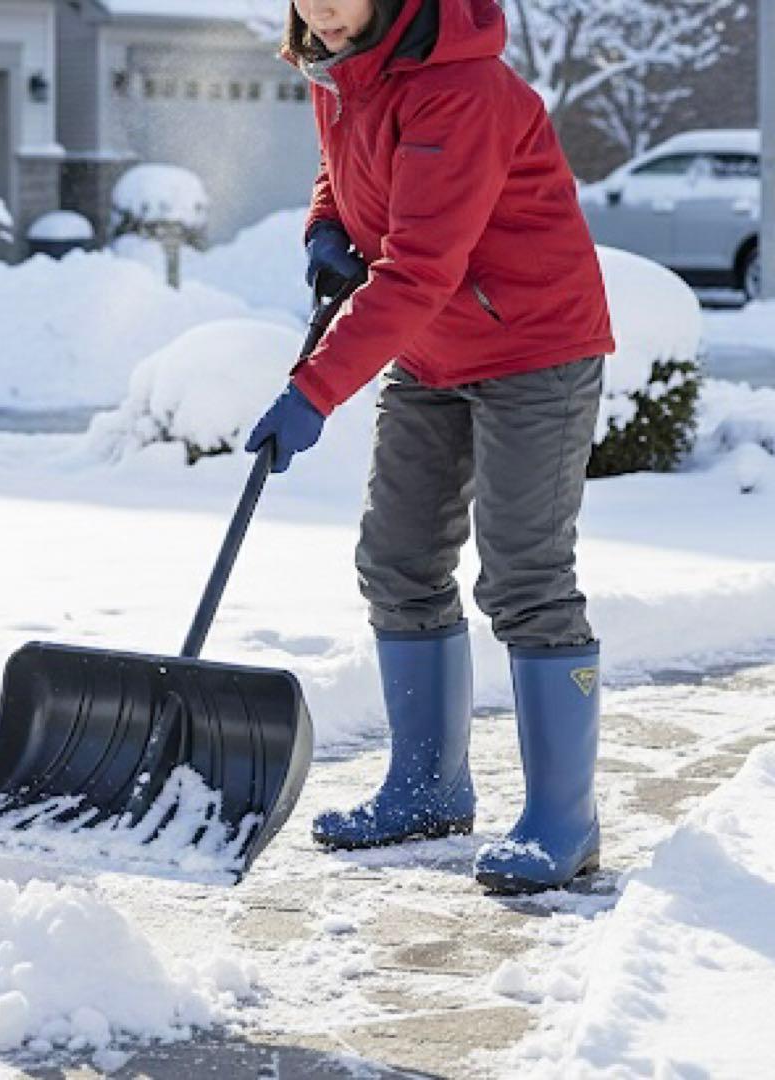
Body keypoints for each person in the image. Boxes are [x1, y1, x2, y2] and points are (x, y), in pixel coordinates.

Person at [245, 0, 615, 894]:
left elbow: (418, 266)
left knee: (525, 575)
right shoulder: (339, 66)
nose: (320, 8)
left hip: (533, 344)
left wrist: (314, 390)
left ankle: (565, 821)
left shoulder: (463, 90)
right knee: (398, 558)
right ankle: (427, 790)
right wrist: (326, 226)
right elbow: (348, 174)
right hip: (433, 347)